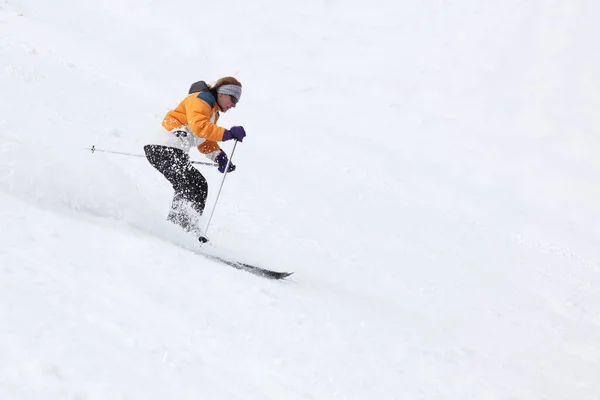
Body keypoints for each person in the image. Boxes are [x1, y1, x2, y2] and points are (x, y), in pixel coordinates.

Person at [144, 77, 247, 235]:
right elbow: (200, 127)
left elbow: (203, 140)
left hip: (172, 149)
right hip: (164, 147)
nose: (233, 105)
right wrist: (228, 133)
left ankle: (180, 226)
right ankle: (180, 228)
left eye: (237, 101)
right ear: (222, 93)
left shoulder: (212, 111)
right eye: (233, 99)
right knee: (192, 184)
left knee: (195, 184)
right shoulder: (201, 99)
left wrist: (219, 157)